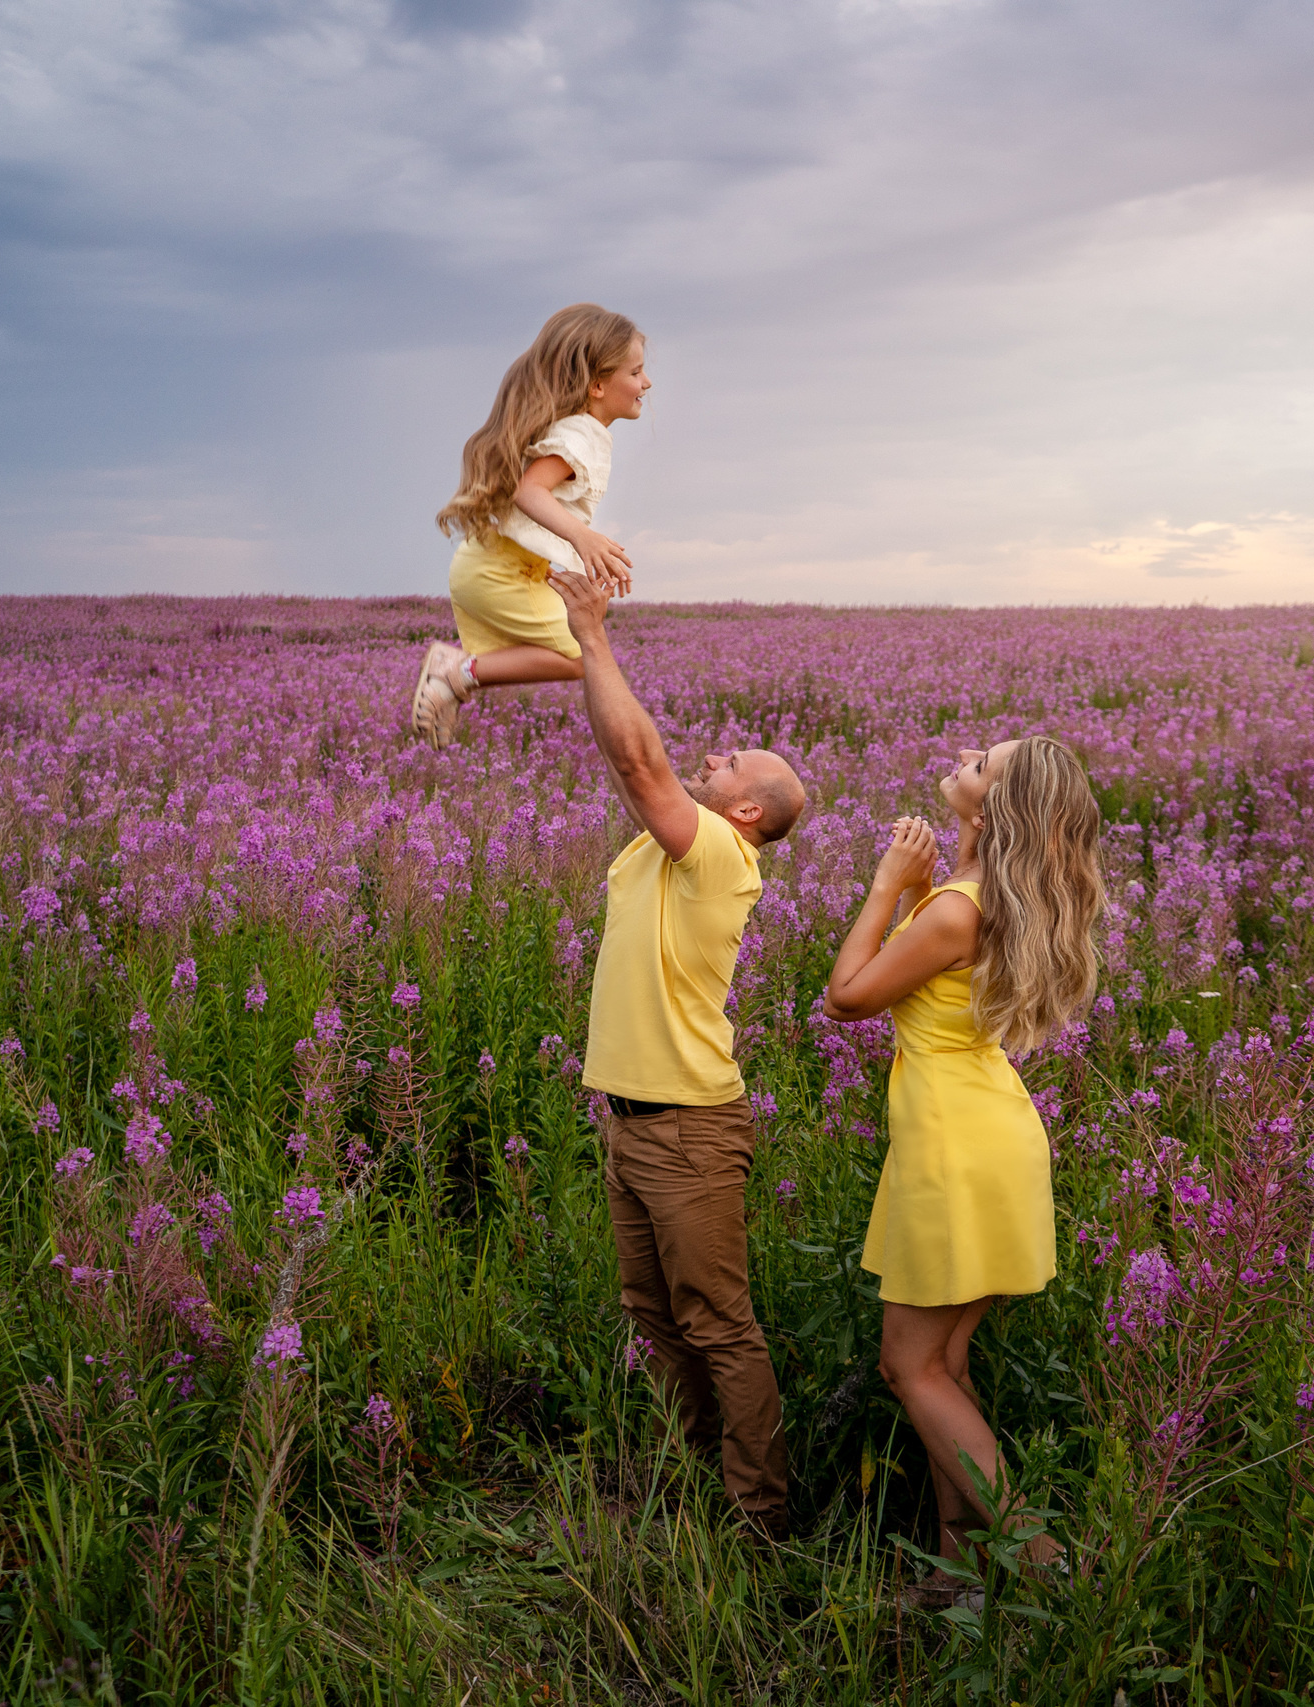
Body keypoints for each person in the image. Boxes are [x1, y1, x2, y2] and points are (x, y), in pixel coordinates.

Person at [549, 568, 807, 1541]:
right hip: (635, 1124)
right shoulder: (667, 851)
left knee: (718, 1327)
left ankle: (758, 1520)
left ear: (747, 814)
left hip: (692, 1132)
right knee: (655, 1324)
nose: (714, 755)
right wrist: (583, 648)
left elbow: (640, 763)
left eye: (733, 758)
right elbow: (634, 759)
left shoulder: (720, 857)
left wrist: (591, 632)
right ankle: (682, 1487)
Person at [823, 737, 1105, 1603]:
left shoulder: (959, 908)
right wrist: (921, 883)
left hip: (955, 1150)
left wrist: (883, 885)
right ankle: (962, 1574)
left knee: (908, 1368)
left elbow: (850, 997)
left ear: (991, 808)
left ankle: (1048, 1567)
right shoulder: (978, 897)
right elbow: (937, 960)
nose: (962, 756)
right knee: (943, 1364)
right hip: (987, 1135)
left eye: (981, 760)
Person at [412, 304, 651, 748]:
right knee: (580, 655)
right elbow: (529, 492)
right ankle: (454, 674)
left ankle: (457, 669)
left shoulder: (582, 430)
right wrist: (584, 538)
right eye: (636, 373)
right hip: (502, 572)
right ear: (597, 383)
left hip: (499, 566)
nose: (646, 383)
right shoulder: (579, 434)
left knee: (574, 647)